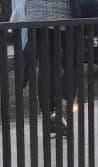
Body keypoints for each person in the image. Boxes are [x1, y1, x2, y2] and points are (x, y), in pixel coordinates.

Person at [24, 0, 77, 135]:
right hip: (64, 12)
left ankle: (49, 117)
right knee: (74, 61)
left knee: (46, 64)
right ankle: (61, 109)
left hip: (36, 13)